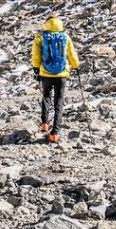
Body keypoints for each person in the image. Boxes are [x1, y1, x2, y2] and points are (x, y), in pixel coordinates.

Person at [31, 15, 80, 143]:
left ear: (47, 23)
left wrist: (36, 68)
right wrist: (76, 65)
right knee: (59, 102)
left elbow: (36, 54)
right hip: (62, 74)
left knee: (46, 97)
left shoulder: (41, 36)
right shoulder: (65, 37)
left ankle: (44, 124)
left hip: (45, 73)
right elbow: (71, 53)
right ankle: (55, 133)